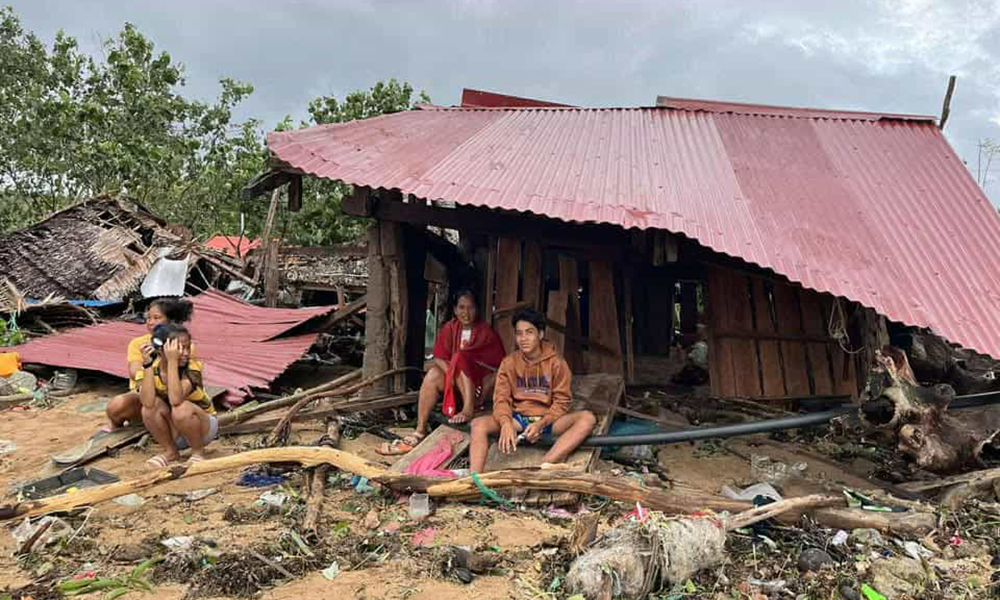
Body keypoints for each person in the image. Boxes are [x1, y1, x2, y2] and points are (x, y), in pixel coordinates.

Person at [469, 307, 596, 473]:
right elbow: (501, 399)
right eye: (519, 333)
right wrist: (505, 423)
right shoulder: (509, 363)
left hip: (548, 420)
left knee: (588, 419)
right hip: (518, 419)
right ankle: (474, 479)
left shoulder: (557, 363)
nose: (524, 339)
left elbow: (562, 402)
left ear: (540, 334)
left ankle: (544, 464)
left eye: (529, 332)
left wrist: (542, 423)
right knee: (478, 424)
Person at [380, 290, 505, 455]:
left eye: (470, 308)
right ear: (454, 310)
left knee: (461, 357)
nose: (466, 312)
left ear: (477, 310)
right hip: (455, 384)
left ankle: (468, 408)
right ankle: (420, 429)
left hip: (479, 389)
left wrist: (482, 387)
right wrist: (452, 374)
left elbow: (500, 367)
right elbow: (439, 357)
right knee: (433, 375)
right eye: (461, 307)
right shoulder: (450, 328)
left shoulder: (486, 333)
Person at [103, 297, 195, 434]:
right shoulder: (139, 343)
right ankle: (118, 424)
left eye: (156, 317)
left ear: (172, 321)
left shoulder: (184, 345)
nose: (151, 322)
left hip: (172, 396)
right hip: (144, 394)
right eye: (148, 318)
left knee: (170, 405)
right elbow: (134, 372)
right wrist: (149, 363)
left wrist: (169, 359)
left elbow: (184, 379)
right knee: (117, 405)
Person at [139, 324, 217, 467]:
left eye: (187, 347)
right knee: (149, 407)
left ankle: (198, 452)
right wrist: (148, 365)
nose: (186, 353)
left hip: (202, 428)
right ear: (162, 349)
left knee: (181, 407)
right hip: (174, 431)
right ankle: (170, 451)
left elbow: (176, 399)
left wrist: (173, 361)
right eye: (180, 348)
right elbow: (147, 403)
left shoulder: (193, 367)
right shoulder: (151, 368)